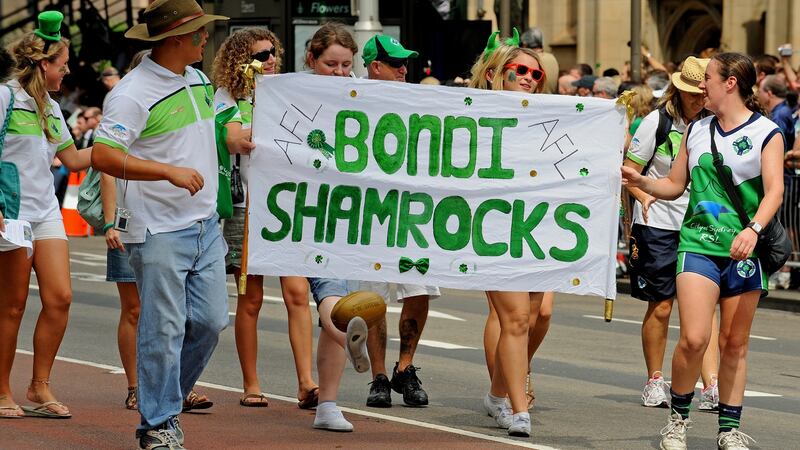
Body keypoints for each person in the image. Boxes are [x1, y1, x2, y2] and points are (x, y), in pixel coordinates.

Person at [622, 52, 784, 450]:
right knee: (694, 339)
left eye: (707, 78)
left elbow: (776, 190)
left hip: (744, 251)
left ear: (730, 83)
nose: (701, 86)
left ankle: (729, 429)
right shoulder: (696, 129)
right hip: (697, 245)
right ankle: (678, 420)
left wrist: (753, 229)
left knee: (734, 342)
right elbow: (675, 184)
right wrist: (641, 180)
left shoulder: (767, 132)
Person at [91, 1, 230, 447]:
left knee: (209, 323)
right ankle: (158, 423)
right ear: (175, 38)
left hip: (205, 223)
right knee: (163, 327)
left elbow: (204, 136)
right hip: (157, 229)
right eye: (200, 32)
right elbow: (104, 155)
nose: (206, 38)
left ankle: (165, 401)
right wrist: (167, 172)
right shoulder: (132, 93)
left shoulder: (199, 78)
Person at [212, 27, 322, 410]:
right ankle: (251, 384)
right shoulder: (228, 96)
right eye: (261, 55)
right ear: (240, 61)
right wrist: (262, 122)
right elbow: (232, 140)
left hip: (286, 207)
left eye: (273, 52)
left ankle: (307, 383)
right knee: (251, 298)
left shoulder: (289, 91)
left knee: (297, 294)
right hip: (246, 207)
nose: (271, 59)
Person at [0, 11, 93, 419]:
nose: (67, 71)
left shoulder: (51, 107)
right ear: (43, 64)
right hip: (12, 211)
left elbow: (72, 160)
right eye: (63, 64)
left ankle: (39, 386)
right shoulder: (4, 98)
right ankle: (1, 390)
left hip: (46, 212)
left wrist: (118, 145)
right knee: (13, 305)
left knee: (60, 298)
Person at [623, 56, 721, 411]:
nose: (700, 99)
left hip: (702, 226)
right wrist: (644, 195)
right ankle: (654, 379)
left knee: (705, 307)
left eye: (704, 93)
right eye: (694, 94)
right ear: (679, 92)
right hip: (658, 224)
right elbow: (629, 171)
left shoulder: (715, 124)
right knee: (662, 306)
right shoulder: (657, 122)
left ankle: (711, 385)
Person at [468, 36, 547, 437]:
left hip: (536, 227)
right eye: (521, 71)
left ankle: (498, 396)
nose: (530, 78)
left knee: (534, 316)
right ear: (493, 74)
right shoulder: (469, 114)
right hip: (490, 227)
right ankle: (519, 410)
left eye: (537, 74)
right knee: (514, 317)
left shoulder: (549, 116)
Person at [358, 34, 441, 408]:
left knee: (418, 290)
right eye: (396, 64)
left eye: (405, 63)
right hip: (370, 213)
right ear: (375, 66)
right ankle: (378, 377)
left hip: (415, 215)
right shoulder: (351, 100)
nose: (404, 69)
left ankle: (404, 369)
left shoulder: (421, 99)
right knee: (372, 297)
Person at [304, 21, 376, 432]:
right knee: (329, 288)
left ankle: (327, 404)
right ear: (312, 59)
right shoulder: (290, 95)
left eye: (347, 64)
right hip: (308, 212)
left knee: (343, 288)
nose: (340, 71)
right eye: (331, 63)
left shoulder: (362, 97)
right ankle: (349, 332)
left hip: (356, 216)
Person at [757, 74, 795, 290]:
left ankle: (780, 271)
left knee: (777, 226)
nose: (758, 94)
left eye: (761, 90)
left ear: (769, 93)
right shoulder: (782, 112)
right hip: (785, 178)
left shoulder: (779, 117)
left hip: (782, 180)